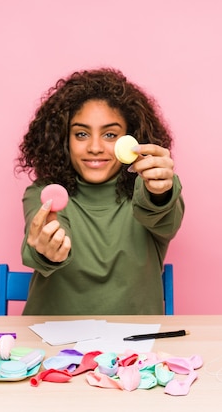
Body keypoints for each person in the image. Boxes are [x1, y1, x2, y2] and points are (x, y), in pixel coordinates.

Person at [15, 67, 185, 315]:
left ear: (132, 137)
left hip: (133, 348)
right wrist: (46, 248)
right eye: (81, 134)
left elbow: (164, 217)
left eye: (110, 134)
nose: (95, 147)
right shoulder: (45, 192)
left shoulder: (149, 189)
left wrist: (160, 190)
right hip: (53, 347)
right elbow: (41, 238)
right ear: (64, 139)